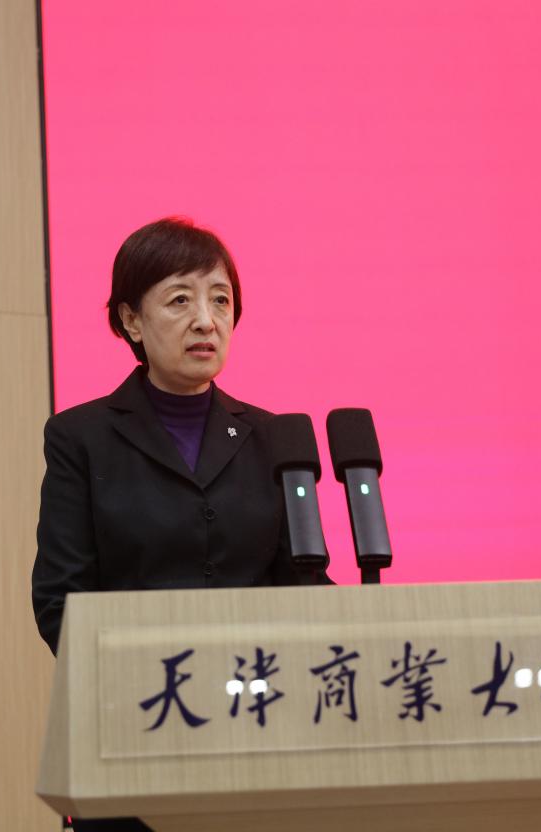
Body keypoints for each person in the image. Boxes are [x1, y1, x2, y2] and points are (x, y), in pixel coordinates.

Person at [31, 217, 328, 832]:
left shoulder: (273, 438)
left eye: (220, 300)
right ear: (130, 321)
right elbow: (60, 601)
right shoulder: (80, 438)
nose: (206, 320)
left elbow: (304, 586)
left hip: (257, 730)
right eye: (179, 300)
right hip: (133, 731)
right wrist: (155, 683)